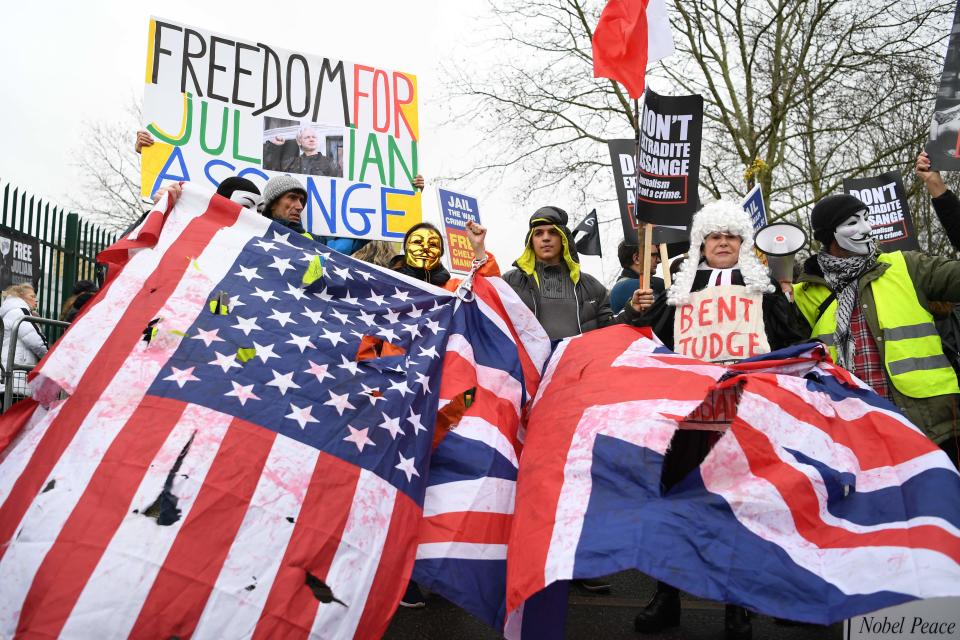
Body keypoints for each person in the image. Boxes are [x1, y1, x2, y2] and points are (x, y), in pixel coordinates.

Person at [626, 201, 806, 640]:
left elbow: (797, 341)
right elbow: (644, 342)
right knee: (674, 504)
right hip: (688, 420)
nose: (723, 242)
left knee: (741, 508)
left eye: (731, 235)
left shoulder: (762, 288)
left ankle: (737, 605)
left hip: (744, 415)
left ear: (743, 243)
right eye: (714, 236)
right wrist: (638, 309)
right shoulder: (679, 289)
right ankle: (667, 597)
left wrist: (785, 299)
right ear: (701, 244)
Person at [794, 193, 960, 467]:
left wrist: (941, 197)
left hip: (930, 426)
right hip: (853, 436)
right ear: (828, 235)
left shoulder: (906, 266)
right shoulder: (804, 293)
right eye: (853, 222)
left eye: (867, 219)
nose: (867, 228)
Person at [503, 206, 617, 342]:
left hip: (579, 361)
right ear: (531, 241)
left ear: (564, 238)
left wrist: (633, 310)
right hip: (528, 363)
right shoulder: (509, 283)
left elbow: (611, 333)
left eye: (553, 232)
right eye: (538, 233)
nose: (546, 238)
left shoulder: (592, 286)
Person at [0, 284, 48, 400]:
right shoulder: (20, 312)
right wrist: (49, 356)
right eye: (32, 296)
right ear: (21, 297)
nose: (35, 300)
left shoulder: (10, 312)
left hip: (9, 374)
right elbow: (36, 341)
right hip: (17, 375)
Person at [609, 240, 665, 312]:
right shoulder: (637, 286)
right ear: (637, 258)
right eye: (654, 255)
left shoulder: (623, 285)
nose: (659, 260)